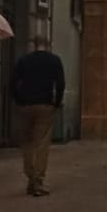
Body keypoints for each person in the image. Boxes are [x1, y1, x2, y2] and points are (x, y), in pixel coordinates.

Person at [10, 35, 65, 196]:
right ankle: (38, 180)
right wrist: (56, 103)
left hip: (26, 105)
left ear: (34, 45)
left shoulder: (24, 60)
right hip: (45, 105)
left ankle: (30, 176)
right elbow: (60, 83)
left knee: (27, 143)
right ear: (48, 45)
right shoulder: (54, 60)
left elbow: (13, 82)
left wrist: (19, 100)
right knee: (41, 143)